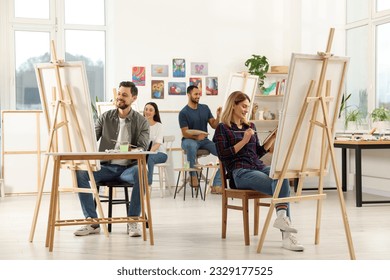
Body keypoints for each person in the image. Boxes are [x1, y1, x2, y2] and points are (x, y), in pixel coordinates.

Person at [212, 91, 304, 251]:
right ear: (233, 105)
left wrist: (273, 137)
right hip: (240, 172)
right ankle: (287, 237)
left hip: (258, 166)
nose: (246, 110)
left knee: (281, 175)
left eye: (247, 107)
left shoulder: (250, 126)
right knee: (280, 189)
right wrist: (244, 140)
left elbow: (259, 152)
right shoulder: (222, 128)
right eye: (243, 106)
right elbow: (222, 154)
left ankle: (281, 218)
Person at [74, 81, 149, 237]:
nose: (120, 97)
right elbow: (90, 138)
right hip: (106, 168)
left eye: (124, 95)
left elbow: (143, 148)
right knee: (80, 172)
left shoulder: (141, 122)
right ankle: (92, 221)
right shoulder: (105, 117)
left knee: (141, 171)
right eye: (119, 94)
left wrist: (133, 149)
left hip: (128, 168)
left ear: (133, 98)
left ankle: (133, 221)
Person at [179, 85, 222, 192]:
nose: (198, 96)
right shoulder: (183, 112)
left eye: (199, 94)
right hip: (188, 140)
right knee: (191, 145)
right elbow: (185, 133)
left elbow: (214, 125)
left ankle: (217, 184)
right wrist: (197, 137)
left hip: (204, 141)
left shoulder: (205, 108)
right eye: (196, 94)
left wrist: (218, 116)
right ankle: (193, 175)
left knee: (223, 152)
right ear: (189, 95)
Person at [143, 102, 168, 187]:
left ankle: (148, 182)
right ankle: (139, 182)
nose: (147, 112)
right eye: (146, 109)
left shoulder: (159, 126)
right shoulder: (141, 125)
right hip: (145, 153)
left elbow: (157, 145)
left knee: (150, 157)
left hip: (160, 154)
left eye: (150, 110)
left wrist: (147, 154)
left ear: (155, 112)